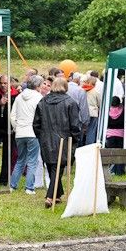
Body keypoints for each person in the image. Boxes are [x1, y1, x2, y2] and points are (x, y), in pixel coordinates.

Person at [33, 77, 81, 208]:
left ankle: (57, 194)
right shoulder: (70, 102)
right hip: (63, 140)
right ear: (65, 87)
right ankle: (50, 196)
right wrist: (75, 138)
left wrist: (41, 136)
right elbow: (75, 125)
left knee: (52, 167)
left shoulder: (43, 101)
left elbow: (36, 124)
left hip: (47, 139)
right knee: (56, 168)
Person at [9, 75, 44, 194]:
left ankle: (12, 185)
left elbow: (12, 116)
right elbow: (41, 116)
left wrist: (16, 127)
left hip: (20, 132)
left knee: (20, 160)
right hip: (33, 132)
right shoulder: (39, 97)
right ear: (37, 86)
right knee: (32, 161)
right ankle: (29, 187)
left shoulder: (19, 97)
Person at [82, 75, 101, 145]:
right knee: (91, 130)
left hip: (83, 112)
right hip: (93, 112)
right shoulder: (96, 92)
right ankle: (89, 145)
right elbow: (99, 103)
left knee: (82, 130)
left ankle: (81, 144)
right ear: (95, 83)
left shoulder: (82, 90)